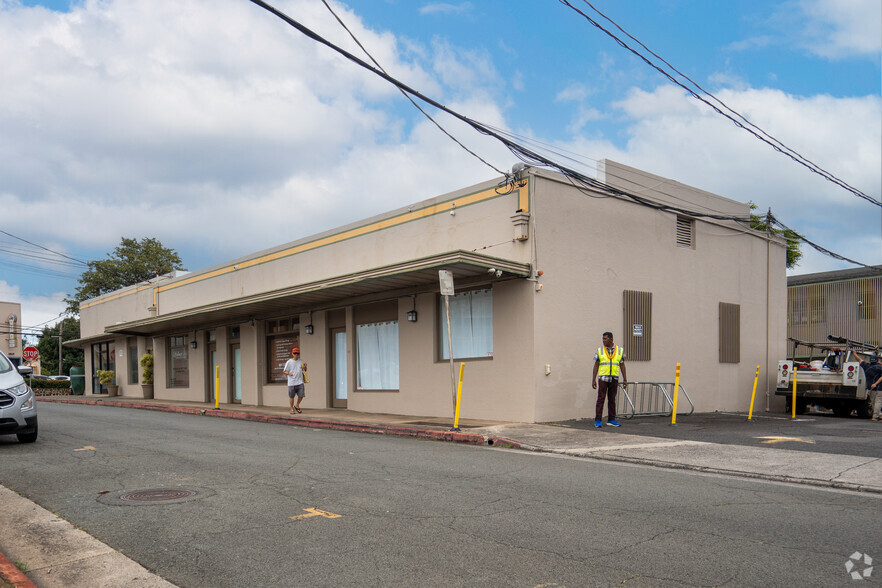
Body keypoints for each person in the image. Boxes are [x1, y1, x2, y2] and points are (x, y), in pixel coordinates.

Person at [592, 332, 627, 428]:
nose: (603, 340)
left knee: (612, 399)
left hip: (614, 378)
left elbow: (622, 365)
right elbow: (596, 365)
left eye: (605, 339)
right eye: (602, 338)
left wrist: (625, 379)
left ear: (611, 339)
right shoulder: (600, 350)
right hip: (603, 378)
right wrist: (593, 379)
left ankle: (611, 419)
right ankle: (598, 420)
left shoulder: (619, 350)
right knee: (601, 399)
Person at [855, 351, 882, 421]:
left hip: (870, 388)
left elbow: (859, 359)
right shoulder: (879, 367)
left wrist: (854, 353)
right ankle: (876, 416)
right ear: (877, 361)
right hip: (879, 387)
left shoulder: (866, 366)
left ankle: (876, 414)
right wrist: (876, 383)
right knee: (878, 401)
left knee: (872, 402)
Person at [283, 347, 307, 414]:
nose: (296, 354)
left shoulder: (300, 361)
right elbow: (284, 371)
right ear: (292, 354)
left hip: (300, 381)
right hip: (292, 382)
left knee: (301, 395)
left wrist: (305, 367)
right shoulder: (289, 362)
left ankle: (297, 405)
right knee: (291, 396)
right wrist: (288, 373)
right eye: (295, 353)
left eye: (298, 353)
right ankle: (291, 409)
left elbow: (304, 371)